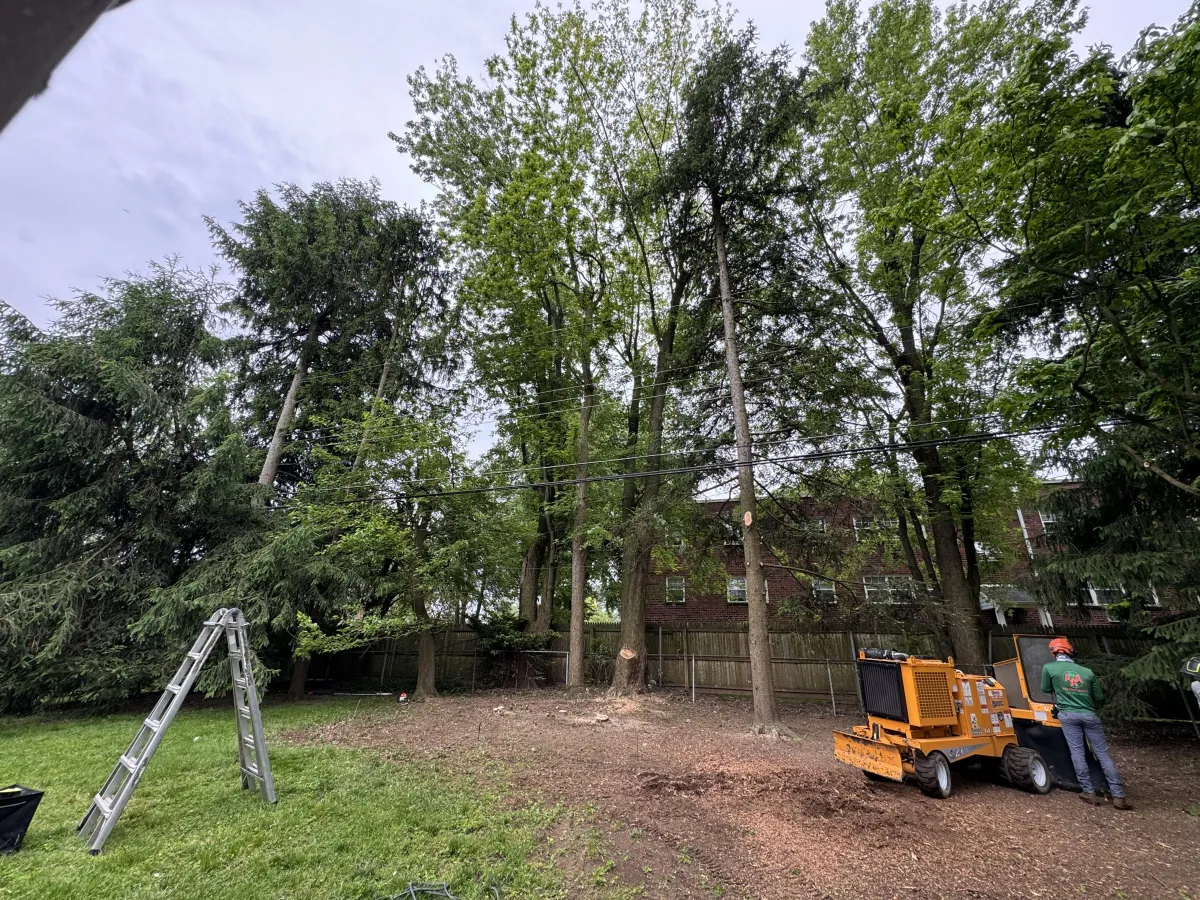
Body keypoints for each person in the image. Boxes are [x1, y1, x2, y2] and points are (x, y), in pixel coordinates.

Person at [1040, 637, 1132, 810]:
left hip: (1067, 715)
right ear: (1070, 652)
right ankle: (1118, 795)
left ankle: (1088, 792)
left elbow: (1045, 688)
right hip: (1089, 715)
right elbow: (1099, 697)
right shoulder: (1087, 671)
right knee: (1103, 754)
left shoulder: (1049, 668)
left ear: (1054, 652)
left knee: (1077, 752)